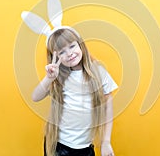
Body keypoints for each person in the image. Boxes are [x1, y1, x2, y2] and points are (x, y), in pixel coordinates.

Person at [32, 28, 118, 156]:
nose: (69, 53)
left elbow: (107, 109)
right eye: (62, 52)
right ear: (55, 57)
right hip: (59, 146)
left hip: (85, 147)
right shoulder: (59, 77)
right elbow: (35, 97)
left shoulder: (99, 72)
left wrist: (106, 141)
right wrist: (48, 78)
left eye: (72, 46)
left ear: (80, 45)